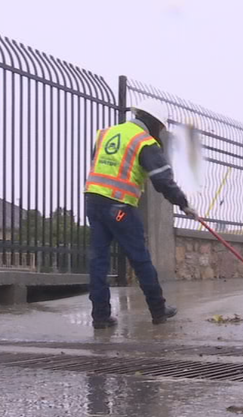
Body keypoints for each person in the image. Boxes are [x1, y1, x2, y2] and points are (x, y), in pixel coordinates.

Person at [85, 98, 198, 329]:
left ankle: (100, 316)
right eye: (160, 129)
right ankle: (158, 310)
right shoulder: (143, 141)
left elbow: (98, 162)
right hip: (119, 209)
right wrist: (183, 204)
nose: (159, 134)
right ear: (154, 123)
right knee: (140, 258)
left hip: (93, 202)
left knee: (98, 261)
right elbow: (162, 180)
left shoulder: (105, 134)